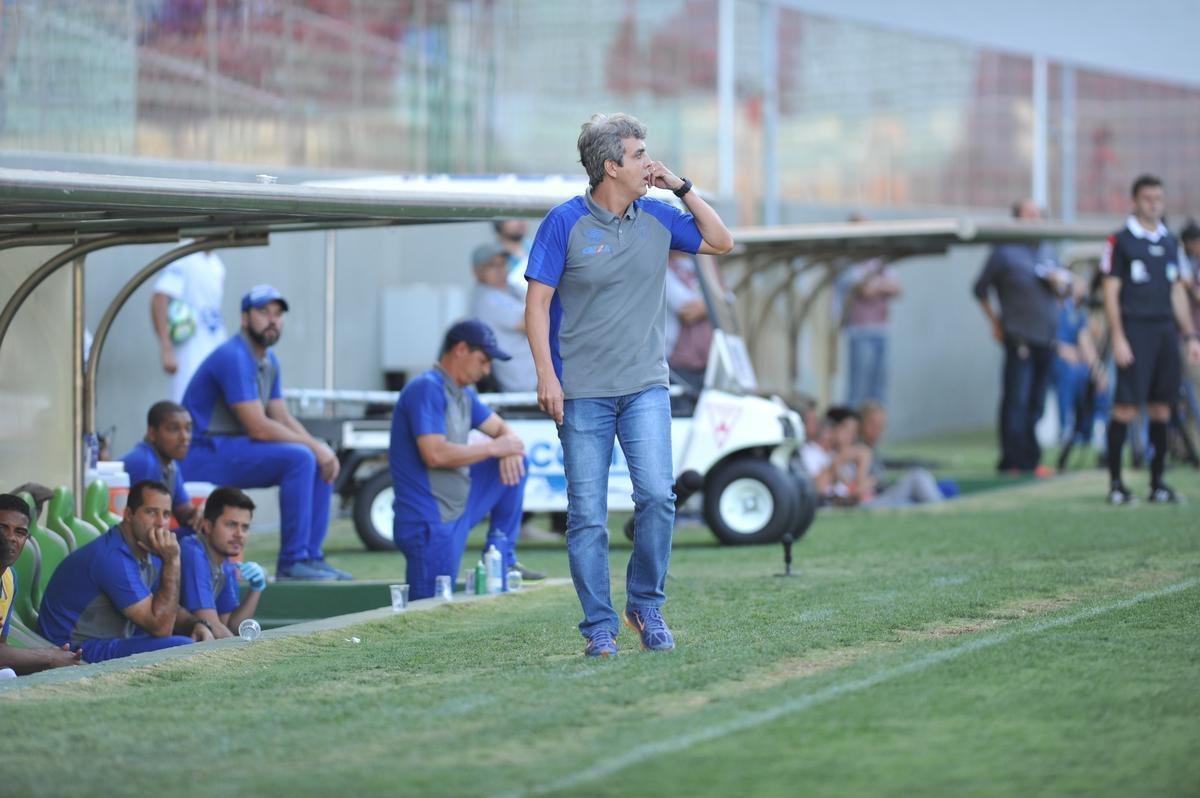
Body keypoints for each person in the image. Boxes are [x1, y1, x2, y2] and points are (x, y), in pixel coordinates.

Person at [524, 112, 733, 657]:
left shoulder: (659, 216)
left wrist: (682, 187)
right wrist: (546, 375)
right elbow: (537, 302)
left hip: (645, 387)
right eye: (641, 155)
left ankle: (645, 605)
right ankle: (598, 627)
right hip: (582, 393)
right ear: (610, 166)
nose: (651, 163)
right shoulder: (563, 222)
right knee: (587, 517)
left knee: (658, 500)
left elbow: (721, 240)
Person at [181, 284, 349, 581]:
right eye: (263, 312)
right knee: (300, 458)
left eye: (278, 314)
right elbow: (258, 427)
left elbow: (281, 416)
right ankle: (292, 562)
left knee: (316, 457)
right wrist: (313, 448)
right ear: (244, 318)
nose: (272, 320)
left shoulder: (269, 360)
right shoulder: (234, 355)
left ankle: (311, 556)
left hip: (230, 447)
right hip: (200, 453)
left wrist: (319, 446)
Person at [388, 320, 531, 601]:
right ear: (460, 350)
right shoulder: (426, 388)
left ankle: (502, 556)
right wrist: (495, 449)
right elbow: (435, 454)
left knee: (518, 461)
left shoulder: (463, 393)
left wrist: (508, 448)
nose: (487, 370)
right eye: (483, 360)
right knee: (428, 613)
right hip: (429, 520)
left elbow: (505, 432)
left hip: (458, 507)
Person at [1100, 175, 1200, 504]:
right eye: (1147, 198)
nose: (1154, 203)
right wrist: (1118, 337)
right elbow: (1111, 292)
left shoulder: (1170, 242)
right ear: (1135, 201)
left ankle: (1157, 484)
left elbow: (1177, 292)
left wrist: (1189, 335)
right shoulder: (1120, 241)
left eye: (1158, 197)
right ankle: (1116, 485)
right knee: (1126, 408)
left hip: (1164, 333)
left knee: (1162, 408)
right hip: (1135, 330)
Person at [36, 481, 214, 664]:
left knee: (185, 639)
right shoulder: (112, 558)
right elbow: (161, 627)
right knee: (182, 646)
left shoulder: (148, 548)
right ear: (128, 514)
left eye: (166, 514)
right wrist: (173, 560)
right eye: (151, 512)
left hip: (106, 640)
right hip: (71, 650)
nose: (161, 523)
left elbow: (166, 607)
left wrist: (196, 623)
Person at [973, 199, 1070, 475]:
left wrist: (1060, 284)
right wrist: (995, 322)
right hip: (1020, 338)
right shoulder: (1004, 252)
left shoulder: (1048, 249)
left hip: (1046, 339)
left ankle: (1030, 458)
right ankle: (1012, 461)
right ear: (1015, 220)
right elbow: (979, 289)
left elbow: (1065, 290)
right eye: (1029, 215)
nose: (1035, 220)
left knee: (1036, 404)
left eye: (1039, 215)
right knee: (1016, 401)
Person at [0, 494, 83, 674]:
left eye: (19, 532)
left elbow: (2, 649)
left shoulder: (9, 578)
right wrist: (49, 657)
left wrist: (55, 662)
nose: (11, 537)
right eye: (2, 528)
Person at [178, 487, 266, 638]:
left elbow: (231, 624)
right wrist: (247, 656)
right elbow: (212, 625)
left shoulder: (225, 563)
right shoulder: (192, 551)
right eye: (231, 524)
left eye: (245, 527)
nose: (239, 534)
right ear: (208, 526)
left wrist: (256, 588)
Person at [152, 245, 227, 402]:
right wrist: (166, 349)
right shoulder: (183, 254)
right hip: (188, 352)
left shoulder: (217, 264)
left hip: (214, 348)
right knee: (185, 405)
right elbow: (160, 296)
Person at [469, 242, 538, 392]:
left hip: (535, 378)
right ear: (477, 272)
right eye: (493, 266)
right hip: (521, 383)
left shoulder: (510, 289)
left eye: (503, 264)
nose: (501, 270)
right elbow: (535, 322)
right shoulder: (487, 297)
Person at [840, 248, 902, 408]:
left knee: (878, 389)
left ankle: (874, 426)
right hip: (860, 332)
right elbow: (864, 290)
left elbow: (897, 289)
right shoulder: (851, 265)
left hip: (881, 331)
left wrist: (876, 286)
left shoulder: (880, 264)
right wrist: (881, 286)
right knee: (857, 389)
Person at [120, 400, 197, 527]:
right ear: (152, 433)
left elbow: (184, 513)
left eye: (188, 428)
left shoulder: (170, 464)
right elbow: (144, 524)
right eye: (174, 429)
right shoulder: (144, 463)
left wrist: (202, 512)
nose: (185, 437)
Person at [857, 402, 946, 507]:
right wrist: (871, 482)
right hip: (869, 502)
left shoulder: (871, 449)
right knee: (917, 476)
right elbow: (856, 488)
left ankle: (940, 505)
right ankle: (941, 508)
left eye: (882, 425)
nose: (879, 430)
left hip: (883, 496)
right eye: (874, 425)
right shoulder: (856, 450)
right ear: (860, 425)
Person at [665, 252, 713, 393]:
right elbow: (687, 311)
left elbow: (727, 299)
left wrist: (705, 305)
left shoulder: (704, 266)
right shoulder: (662, 267)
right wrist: (711, 304)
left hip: (707, 364)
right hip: (677, 365)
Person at [494, 218, 530, 298]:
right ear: (499, 224)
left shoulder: (537, 248)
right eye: (513, 217)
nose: (520, 221)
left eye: (523, 216)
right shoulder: (493, 258)